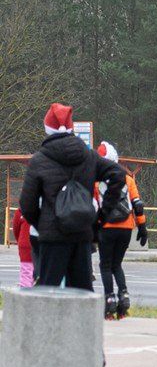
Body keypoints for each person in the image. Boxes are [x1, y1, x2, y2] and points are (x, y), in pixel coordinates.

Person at [18, 103, 125, 290]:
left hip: (52, 237)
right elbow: (118, 175)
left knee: (46, 295)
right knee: (82, 294)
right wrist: (100, 217)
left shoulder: (40, 160)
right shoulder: (88, 156)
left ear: (48, 128)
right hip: (81, 235)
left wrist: (41, 223)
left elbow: (27, 204)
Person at [94, 141, 146, 320]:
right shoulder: (128, 179)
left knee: (105, 265)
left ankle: (109, 301)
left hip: (106, 228)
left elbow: (93, 205)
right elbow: (137, 204)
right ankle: (124, 296)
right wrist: (142, 226)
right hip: (126, 228)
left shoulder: (96, 182)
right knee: (117, 264)